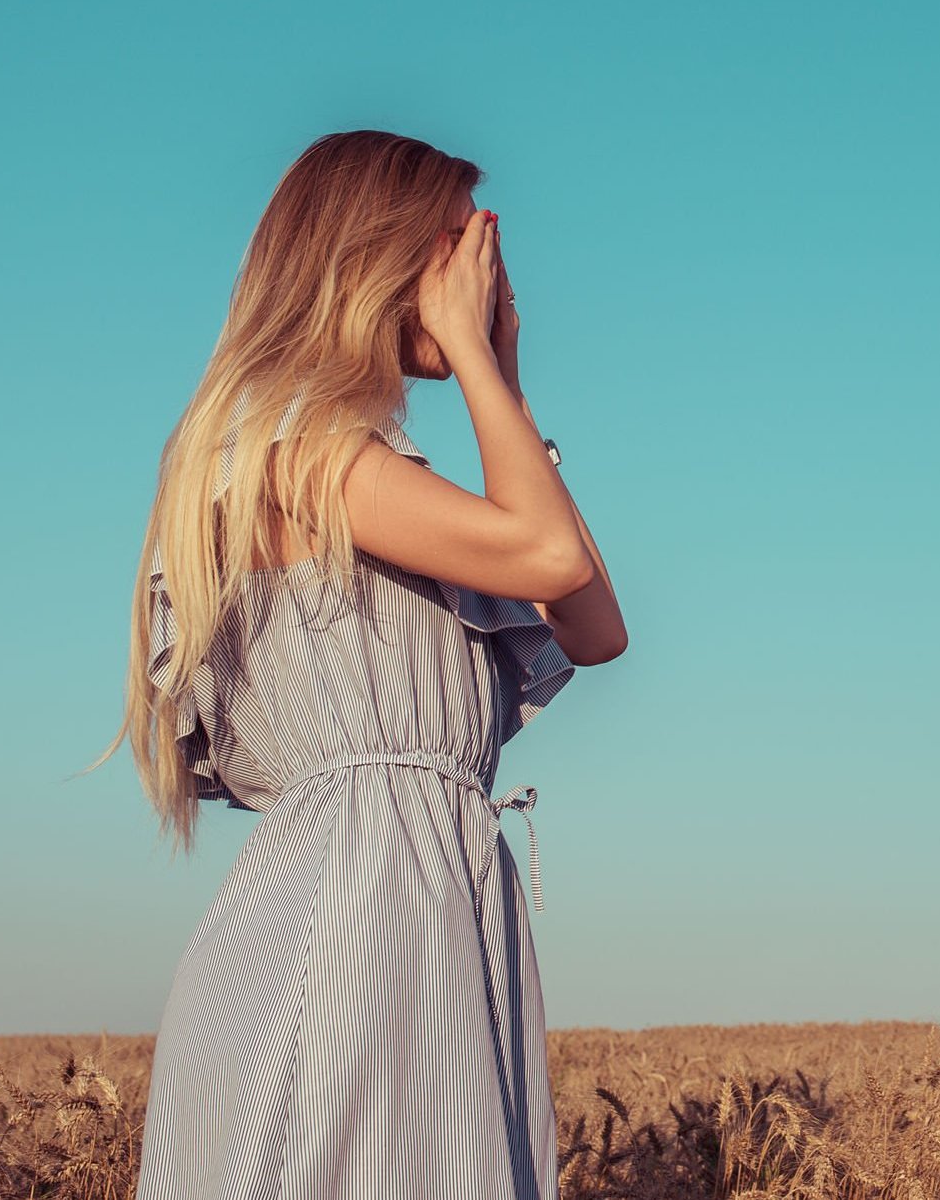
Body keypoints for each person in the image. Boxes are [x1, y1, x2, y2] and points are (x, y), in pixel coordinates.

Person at [99, 129, 626, 1199]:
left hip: (420, 895)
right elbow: (550, 555)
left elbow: (595, 628)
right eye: (458, 244)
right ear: (380, 261)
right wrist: (477, 361)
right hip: (360, 911)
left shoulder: (375, 478)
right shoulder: (298, 460)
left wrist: (509, 389)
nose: (481, 272)